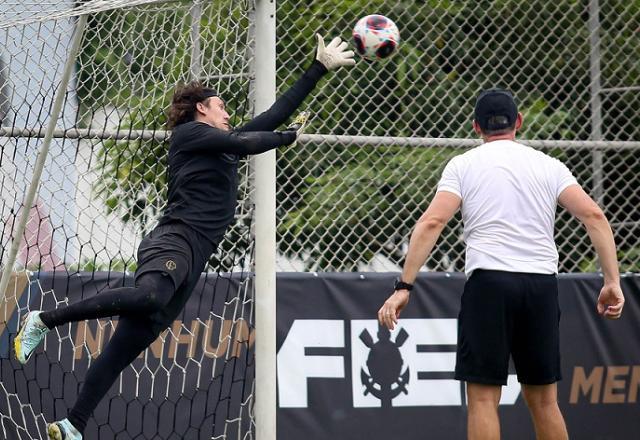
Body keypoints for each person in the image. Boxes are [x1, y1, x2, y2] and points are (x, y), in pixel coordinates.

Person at [14, 34, 355, 440]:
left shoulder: (222, 146)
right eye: (222, 107)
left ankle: (73, 424)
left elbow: (274, 115)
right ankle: (43, 319)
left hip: (194, 257)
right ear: (201, 110)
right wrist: (286, 139)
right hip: (173, 240)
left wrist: (318, 68)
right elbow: (251, 140)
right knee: (150, 297)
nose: (228, 114)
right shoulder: (189, 136)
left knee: (128, 345)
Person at [377, 88, 625, 440]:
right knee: (544, 401)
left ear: (476, 126)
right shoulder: (549, 166)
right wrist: (611, 281)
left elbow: (433, 222)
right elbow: (594, 216)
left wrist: (404, 287)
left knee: (482, 400)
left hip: (489, 284)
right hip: (540, 286)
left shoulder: (463, 165)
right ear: (518, 123)